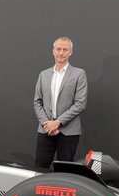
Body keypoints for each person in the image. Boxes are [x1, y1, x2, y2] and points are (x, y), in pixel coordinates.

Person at [33, 36, 88, 168]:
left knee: (65, 172)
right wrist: (47, 124)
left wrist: (57, 122)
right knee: (40, 169)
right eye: (58, 49)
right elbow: (37, 102)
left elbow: (80, 103)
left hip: (68, 132)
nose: (61, 52)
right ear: (53, 51)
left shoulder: (79, 74)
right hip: (45, 130)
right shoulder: (43, 74)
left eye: (65, 49)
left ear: (70, 52)